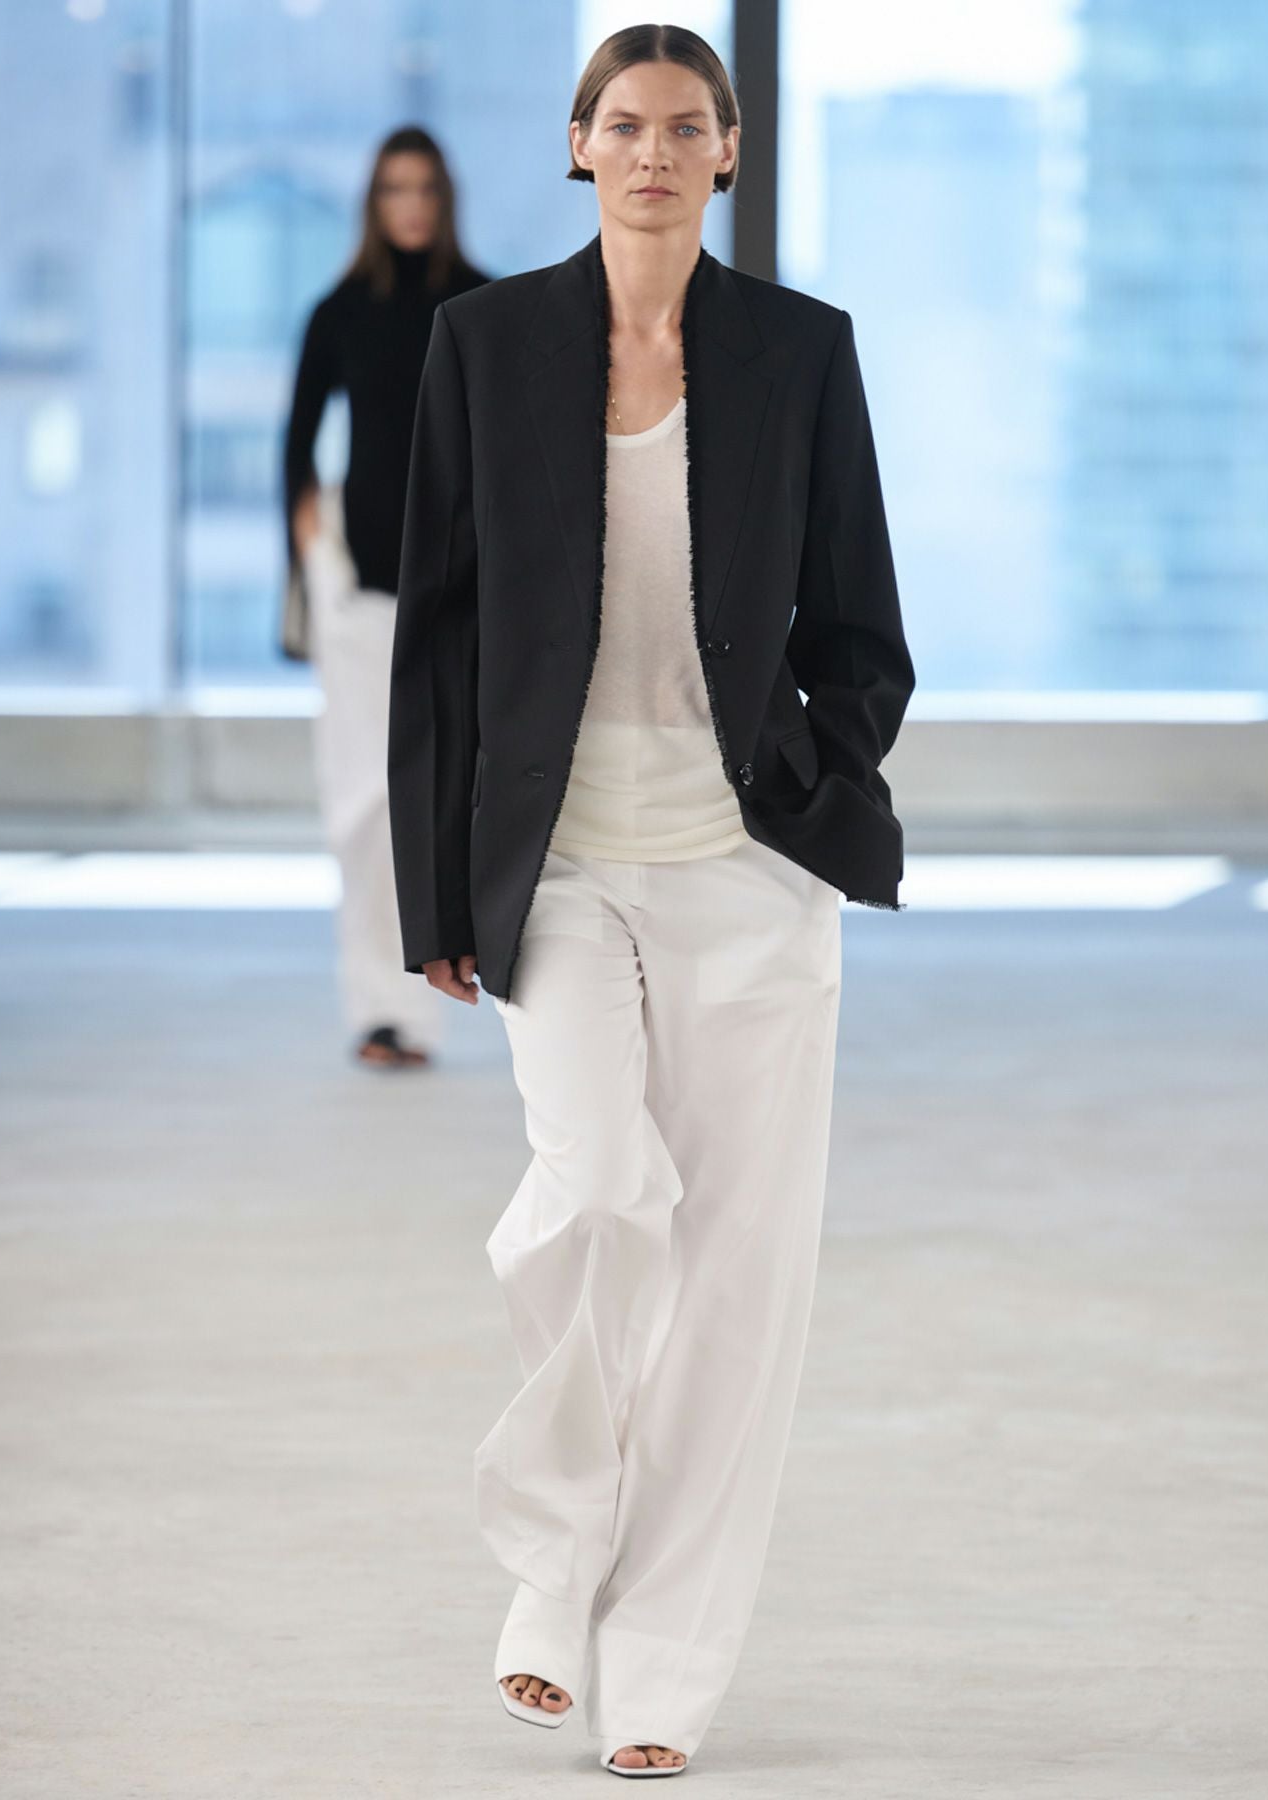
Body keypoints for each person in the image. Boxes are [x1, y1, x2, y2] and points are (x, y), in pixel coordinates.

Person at [389, 23, 913, 1779]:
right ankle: (555, 1563)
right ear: (578, 144)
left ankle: (668, 1676)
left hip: (748, 879)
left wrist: (814, 781)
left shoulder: (800, 351)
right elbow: (439, 638)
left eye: (689, 127)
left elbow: (863, 625)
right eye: (625, 124)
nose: (655, 152)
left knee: (737, 1293)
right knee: (601, 1187)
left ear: (729, 152)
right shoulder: (484, 346)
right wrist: (437, 886)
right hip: (559, 868)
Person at [283, 127, 489, 1069]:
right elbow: (295, 449)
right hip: (361, 596)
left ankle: (426, 1006)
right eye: (394, 189)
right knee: (363, 805)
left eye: (424, 188)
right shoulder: (338, 311)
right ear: (374, 202)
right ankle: (380, 1015)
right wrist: (312, 560)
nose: (410, 205)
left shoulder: (483, 305)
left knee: (442, 806)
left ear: (444, 198)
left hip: (458, 595)